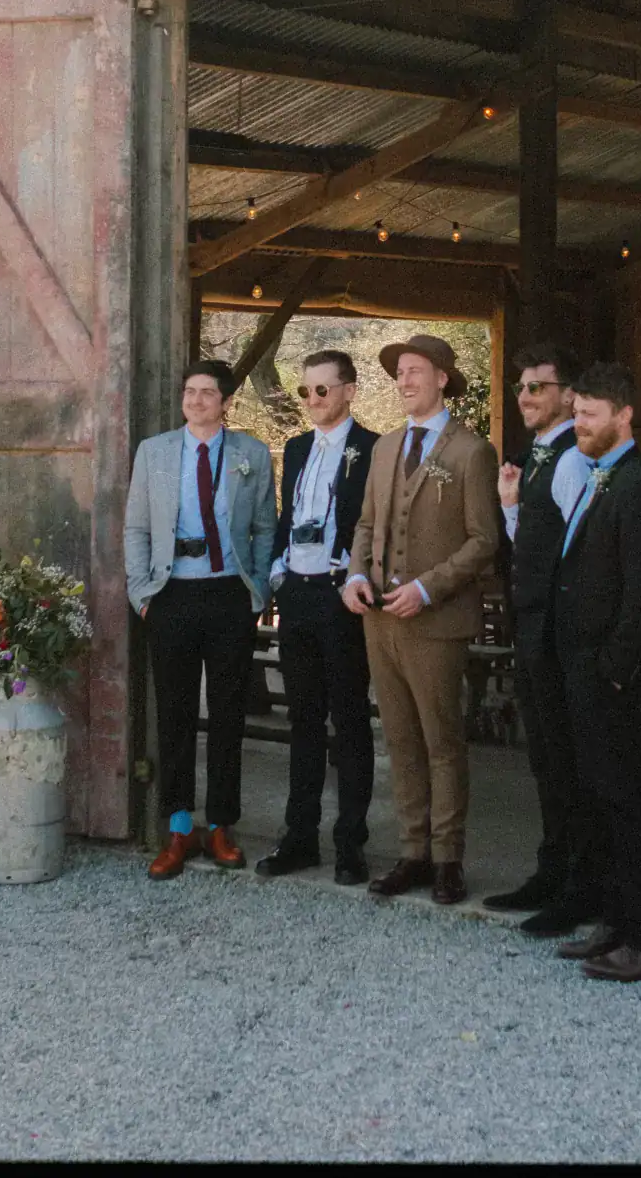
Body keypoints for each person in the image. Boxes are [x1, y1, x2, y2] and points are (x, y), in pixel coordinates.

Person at [342, 334, 501, 906]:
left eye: (414, 371)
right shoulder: (384, 448)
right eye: (399, 373)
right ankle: (412, 852)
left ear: (442, 378)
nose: (404, 381)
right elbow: (365, 525)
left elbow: (486, 540)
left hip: (436, 623)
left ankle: (448, 860)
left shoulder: (470, 452)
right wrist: (355, 575)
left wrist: (428, 588)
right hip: (379, 620)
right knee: (401, 742)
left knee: (442, 742)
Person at [547, 361, 641, 981]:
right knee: (601, 800)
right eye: (576, 413)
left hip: (614, 676)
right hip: (587, 668)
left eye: (590, 415)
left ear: (625, 416)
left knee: (631, 804)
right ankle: (617, 923)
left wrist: (616, 669)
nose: (580, 424)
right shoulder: (604, 478)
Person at [124, 359, 277, 878]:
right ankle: (180, 826)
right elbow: (136, 527)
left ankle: (221, 825)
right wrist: (143, 592)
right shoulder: (156, 452)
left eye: (206, 393)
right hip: (172, 595)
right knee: (175, 715)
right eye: (189, 392)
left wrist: (257, 592)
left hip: (229, 595)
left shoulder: (251, 454)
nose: (195, 401)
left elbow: (264, 527)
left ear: (225, 401)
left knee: (231, 714)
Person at [255, 350, 379, 887]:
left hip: (340, 595)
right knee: (303, 720)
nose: (311, 401)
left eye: (322, 391)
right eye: (305, 391)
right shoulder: (298, 446)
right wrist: (278, 569)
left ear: (349, 391)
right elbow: (289, 515)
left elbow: (374, 524)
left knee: (348, 720)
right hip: (297, 595)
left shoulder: (372, 449)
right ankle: (299, 836)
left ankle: (350, 843)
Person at [481, 342, 592, 934]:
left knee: (567, 759)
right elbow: (532, 543)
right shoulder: (535, 456)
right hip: (532, 627)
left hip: (559, 631)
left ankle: (578, 885)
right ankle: (552, 872)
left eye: (538, 388)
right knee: (545, 759)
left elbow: (580, 551)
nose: (525, 397)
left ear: (568, 395)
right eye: (521, 388)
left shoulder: (574, 457)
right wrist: (508, 506)